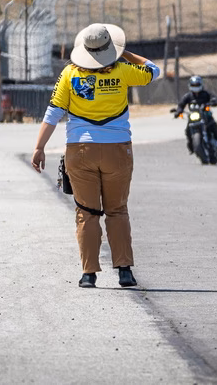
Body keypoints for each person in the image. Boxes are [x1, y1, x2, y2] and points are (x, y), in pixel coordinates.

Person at [30, 23, 162, 288]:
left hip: (80, 151)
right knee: (117, 210)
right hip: (117, 149)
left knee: (87, 211)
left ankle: (88, 274)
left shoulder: (69, 73)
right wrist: (124, 54)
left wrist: (39, 147)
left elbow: (53, 112)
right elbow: (154, 70)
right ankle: (124, 271)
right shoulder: (124, 71)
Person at [174, 75, 217, 153]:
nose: (195, 87)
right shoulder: (188, 96)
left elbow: (214, 99)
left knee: (213, 124)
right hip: (193, 115)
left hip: (205, 114)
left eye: (197, 85)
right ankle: (191, 146)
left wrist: (212, 102)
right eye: (193, 85)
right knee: (187, 130)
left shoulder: (206, 94)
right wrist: (178, 111)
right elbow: (181, 104)